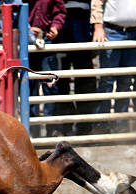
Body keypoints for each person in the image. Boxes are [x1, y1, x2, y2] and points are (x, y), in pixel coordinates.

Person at [90, 0, 136, 134]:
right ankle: (103, 124)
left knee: (125, 80)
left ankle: (121, 124)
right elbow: (97, 2)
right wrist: (98, 27)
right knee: (107, 80)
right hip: (112, 32)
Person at [27, 0, 66, 138]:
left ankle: (52, 130)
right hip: (27, 41)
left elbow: (60, 12)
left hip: (46, 40)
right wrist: (27, 29)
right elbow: (16, 10)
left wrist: (55, 27)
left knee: (50, 87)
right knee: (29, 87)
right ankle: (32, 131)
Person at [56, 0, 96, 136]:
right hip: (62, 25)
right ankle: (65, 125)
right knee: (61, 82)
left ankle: (84, 126)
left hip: (83, 23)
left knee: (85, 82)